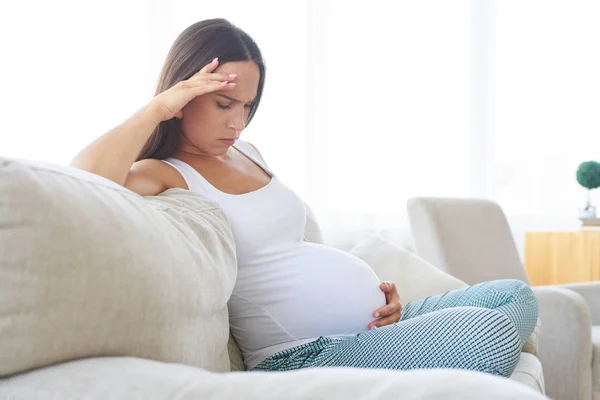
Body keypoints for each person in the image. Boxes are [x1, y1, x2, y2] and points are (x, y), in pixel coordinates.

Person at [71, 18, 538, 376]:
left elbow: (292, 251)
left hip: (369, 329)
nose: (237, 123)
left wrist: (378, 301)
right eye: (223, 104)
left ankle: (410, 341)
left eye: (248, 107)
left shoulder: (249, 151)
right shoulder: (164, 173)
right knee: (490, 333)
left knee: (516, 296)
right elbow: (83, 180)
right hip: (304, 353)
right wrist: (159, 106)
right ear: (185, 93)